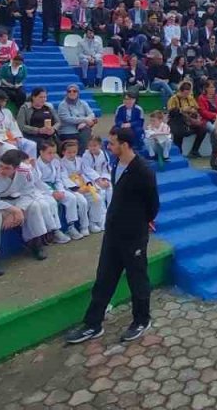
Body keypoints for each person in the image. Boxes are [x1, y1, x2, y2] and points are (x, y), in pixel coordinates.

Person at [65, 126, 158, 345]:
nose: (109, 146)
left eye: (113, 143)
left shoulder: (143, 171)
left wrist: (136, 225)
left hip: (133, 235)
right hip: (113, 233)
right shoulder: (117, 163)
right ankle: (92, 324)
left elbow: (152, 206)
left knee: (137, 278)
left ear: (124, 145)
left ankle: (141, 320)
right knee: (104, 277)